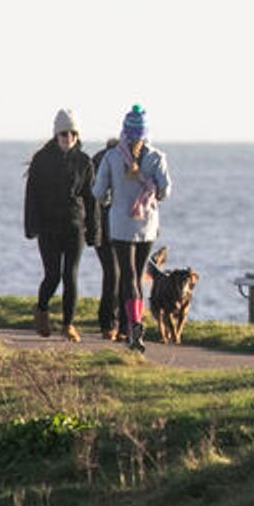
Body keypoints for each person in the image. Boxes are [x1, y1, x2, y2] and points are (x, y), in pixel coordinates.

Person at [91, 104, 171, 351]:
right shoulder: (157, 157)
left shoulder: (112, 157)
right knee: (138, 273)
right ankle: (134, 324)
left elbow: (98, 191)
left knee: (128, 276)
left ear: (124, 131)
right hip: (146, 224)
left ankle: (133, 324)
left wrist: (109, 201)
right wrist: (151, 194)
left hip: (120, 225)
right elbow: (165, 191)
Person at [24, 109, 96, 343]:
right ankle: (42, 309)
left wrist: (94, 230)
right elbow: (32, 195)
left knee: (70, 275)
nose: (68, 138)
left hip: (75, 226)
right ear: (56, 135)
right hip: (48, 227)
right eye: (63, 133)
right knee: (52, 275)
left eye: (72, 133)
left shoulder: (84, 162)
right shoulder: (42, 160)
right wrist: (32, 226)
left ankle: (68, 324)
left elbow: (90, 199)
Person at [91, 137, 128, 341]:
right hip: (106, 224)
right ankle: (112, 323)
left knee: (116, 272)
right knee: (116, 272)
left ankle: (118, 323)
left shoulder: (100, 158)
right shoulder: (102, 160)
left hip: (115, 224)